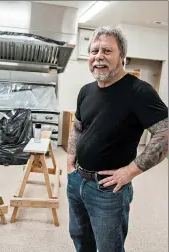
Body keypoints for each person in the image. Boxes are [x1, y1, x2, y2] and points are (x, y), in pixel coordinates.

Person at [66, 26, 168, 252]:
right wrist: (71, 157)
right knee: (80, 238)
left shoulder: (139, 92)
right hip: (77, 181)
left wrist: (132, 170)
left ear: (122, 56)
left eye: (107, 51)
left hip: (108, 190)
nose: (98, 57)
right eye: (94, 51)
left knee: (109, 247)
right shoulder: (86, 91)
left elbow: (165, 133)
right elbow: (78, 125)